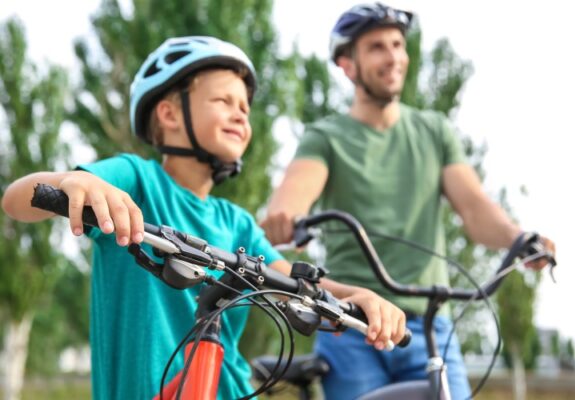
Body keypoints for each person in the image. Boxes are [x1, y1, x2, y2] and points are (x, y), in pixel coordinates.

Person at [1, 36, 408, 399]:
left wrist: (359, 296)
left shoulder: (237, 223)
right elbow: (17, 200)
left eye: (245, 109)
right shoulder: (136, 181)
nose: (240, 116)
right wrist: (76, 183)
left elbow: (296, 285)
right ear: (169, 115)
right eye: (224, 102)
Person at [260, 3, 557, 400]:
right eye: (377, 47)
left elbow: (474, 209)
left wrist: (518, 238)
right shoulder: (326, 136)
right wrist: (285, 217)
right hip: (351, 321)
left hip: (431, 324)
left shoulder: (433, 131)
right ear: (347, 64)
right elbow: (293, 196)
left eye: (398, 45)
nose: (394, 57)